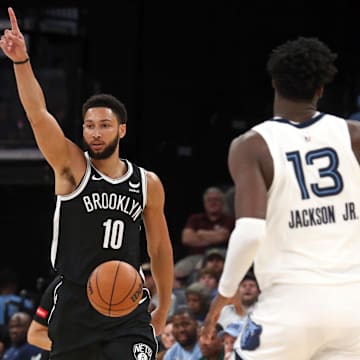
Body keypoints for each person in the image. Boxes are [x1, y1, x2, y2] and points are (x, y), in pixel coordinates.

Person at [0, 7, 174, 360]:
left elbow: (159, 248)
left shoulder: (147, 183)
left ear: (121, 130)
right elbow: (38, 115)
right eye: (89, 125)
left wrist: (163, 306)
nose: (95, 132)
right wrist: (21, 62)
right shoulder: (71, 168)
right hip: (76, 302)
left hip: (127, 304)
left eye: (104, 125)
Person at [202, 36, 360, 360]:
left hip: (291, 304)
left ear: (273, 82)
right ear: (320, 88)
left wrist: (225, 292)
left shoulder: (252, 145)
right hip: (352, 306)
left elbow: (249, 233)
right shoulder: (354, 136)